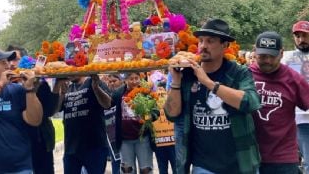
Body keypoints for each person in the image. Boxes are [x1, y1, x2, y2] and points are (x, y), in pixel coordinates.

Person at [164, 18, 261, 174]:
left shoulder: (238, 72)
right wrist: (175, 81)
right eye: (201, 41)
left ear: (225, 45)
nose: (203, 46)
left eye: (210, 41)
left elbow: (250, 102)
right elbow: (172, 114)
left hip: (239, 163)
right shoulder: (188, 75)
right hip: (203, 166)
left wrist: (208, 83)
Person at [250, 31, 309, 174]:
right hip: (248, 154)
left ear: (281, 54)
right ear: (254, 52)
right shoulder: (244, 75)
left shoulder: (294, 79)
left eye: (272, 56)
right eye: (263, 56)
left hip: (282, 158)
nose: (268, 61)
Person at [8, 44, 63, 174]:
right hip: (15, 145)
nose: (11, 63)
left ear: (25, 60)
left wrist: (56, 88)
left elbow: (50, 110)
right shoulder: (3, 86)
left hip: (40, 141)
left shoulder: (38, 81)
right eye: (8, 59)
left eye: (15, 59)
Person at [56, 75, 111, 174]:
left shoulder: (94, 81)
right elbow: (56, 109)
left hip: (95, 146)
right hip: (71, 147)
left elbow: (107, 104)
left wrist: (96, 88)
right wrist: (62, 94)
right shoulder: (68, 87)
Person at [112, 72, 158, 174]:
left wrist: (148, 117)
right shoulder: (119, 93)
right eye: (131, 79)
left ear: (140, 78)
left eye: (136, 78)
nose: (134, 81)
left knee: (146, 169)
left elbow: (156, 111)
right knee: (127, 170)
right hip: (125, 140)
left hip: (143, 138)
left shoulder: (145, 91)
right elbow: (108, 104)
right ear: (125, 80)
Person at [282, 20, 309, 174]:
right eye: (297, 36)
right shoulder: (287, 58)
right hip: (292, 118)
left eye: (304, 35)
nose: (301, 39)